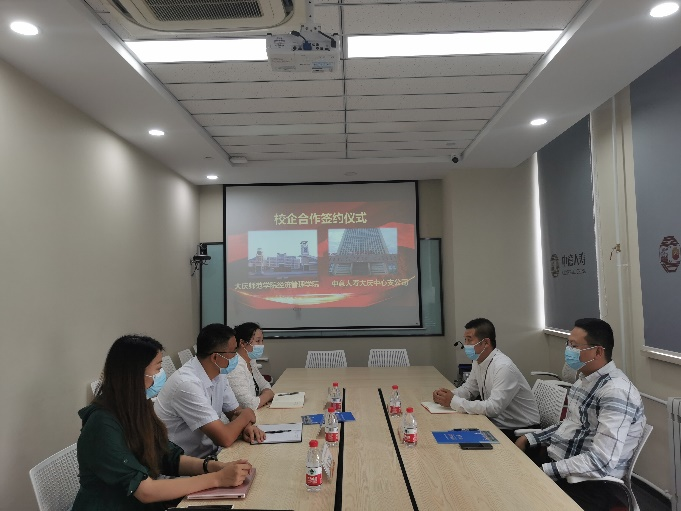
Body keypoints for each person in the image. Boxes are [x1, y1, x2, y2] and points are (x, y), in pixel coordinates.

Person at [72, 335, 252, 511]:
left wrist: (213, 467)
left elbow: (166, 456)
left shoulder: (137, 408)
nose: (161, 375)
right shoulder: (102, 425)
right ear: (135, 374)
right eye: (158, 368)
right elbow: (145, 491)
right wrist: (218, 478)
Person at [515, 318, 646, 511]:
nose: (568, 350)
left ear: (598, 352)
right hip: (563, 464)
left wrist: (545, 471)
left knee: (514, 497)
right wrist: (529, 438)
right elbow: (569, 424)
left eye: (574, 346)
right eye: (568, 344)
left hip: (588, 482)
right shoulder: (583, 381)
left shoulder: (616, 392)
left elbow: (601, 461)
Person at [154, 324, 266, 458]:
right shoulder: (186, 384)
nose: (236, 356)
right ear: (215, 357)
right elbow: (225, 438)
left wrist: (247, 427)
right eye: (233, 352)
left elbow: (235, 412)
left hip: (209, 453)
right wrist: (247, 414)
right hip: (185, 462)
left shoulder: (219, 372)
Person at [432, 318, 540, 439]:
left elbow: (493, 408)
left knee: (456, 440)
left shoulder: (503, 367)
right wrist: (446, 395)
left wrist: (453, 401)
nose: (465, 345)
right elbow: (469, 389)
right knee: (448, 432)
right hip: (495, 423)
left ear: (486, 343)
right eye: (465, 340)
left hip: (520, 431)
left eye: (469, 340)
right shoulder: (478, 360)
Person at [226, 322, 275, 410]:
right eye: (258, 341)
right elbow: (249, 405)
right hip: (238, 416)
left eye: (262, 341)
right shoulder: (234, 366)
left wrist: (262, 398)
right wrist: (268, 395)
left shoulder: (251, 361)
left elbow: (265, 385)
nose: (261, 345)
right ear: (242, 343)